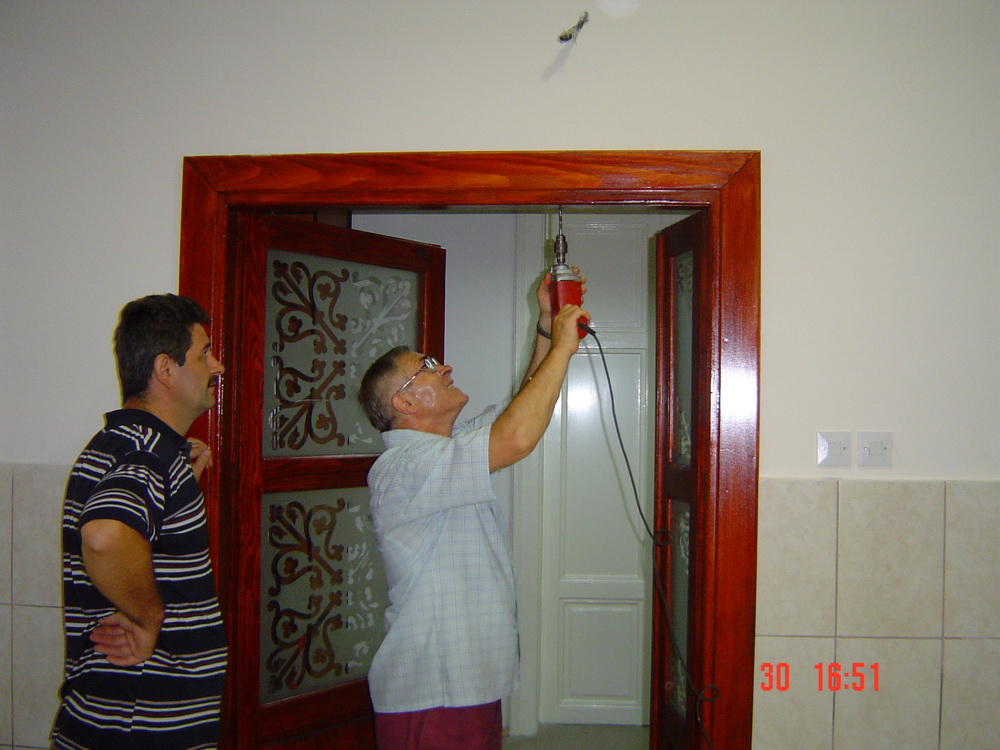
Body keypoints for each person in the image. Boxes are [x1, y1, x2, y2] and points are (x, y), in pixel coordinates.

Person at [356, 272, 588, 750]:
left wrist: (546, 326)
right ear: (404, 402)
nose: (444, 367)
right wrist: (564, 348)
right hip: (433, 690)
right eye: (427, 367)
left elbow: (520, 410)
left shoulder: (445, 450)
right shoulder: (402, 468)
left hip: (467, 683)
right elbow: (516, 438)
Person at [52, 294, 228, 749]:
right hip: (137, 724)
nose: (217, 367)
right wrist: (149, 619)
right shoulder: (148, 453)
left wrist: (177, 489)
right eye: (204, 354)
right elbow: (105, 535)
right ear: (166, 370)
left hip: (121, 719)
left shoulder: (125, 443)